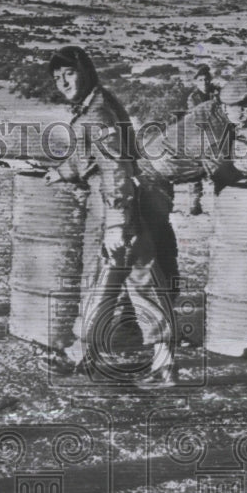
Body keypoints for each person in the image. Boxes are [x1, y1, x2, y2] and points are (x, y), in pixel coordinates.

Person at [42, 45, 177, 387]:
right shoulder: (99, 103)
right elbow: (92, 156)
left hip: (111, 204)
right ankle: (164, 364)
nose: (63, 82)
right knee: (143, 281)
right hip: (130, 201)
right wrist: (62, 171)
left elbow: (113, 166)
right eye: (57, 78)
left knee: (99, 280)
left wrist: (116, 223)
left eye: (69, 73)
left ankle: (83, 354)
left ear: (84, 71)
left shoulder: (97, 113)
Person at [182, 65, 220, 215]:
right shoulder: (193, 98)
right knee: (195, 171)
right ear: (196, 82)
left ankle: (220, 203)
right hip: (198, 135)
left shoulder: (217, 94)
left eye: (206, 79)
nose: (204, 82)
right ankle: (194, 204)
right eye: (201, 79)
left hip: (216, 136)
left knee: (220, 169)